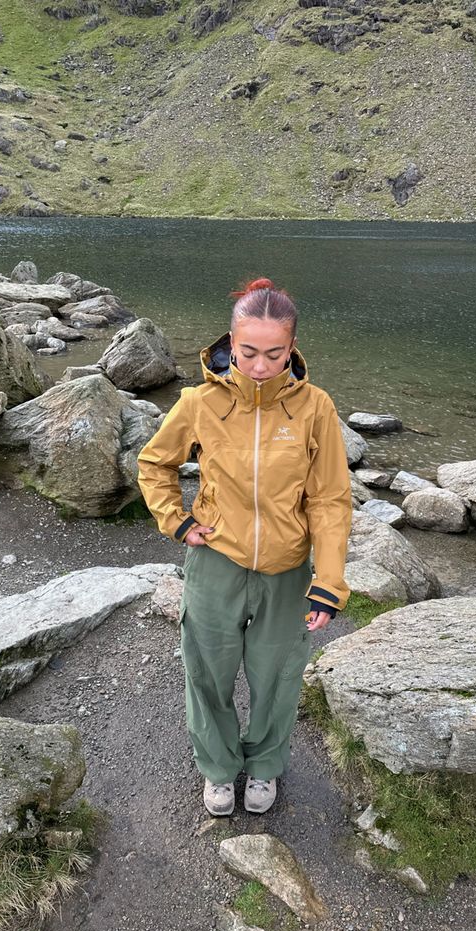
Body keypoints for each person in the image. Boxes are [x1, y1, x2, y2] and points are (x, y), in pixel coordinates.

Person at [137, 278, 351, 816]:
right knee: (207, 669)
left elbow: (329, 499)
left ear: (292, 348)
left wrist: (328, 580)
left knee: (277, 675)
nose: (259, 366)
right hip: (216, 560)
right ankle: (217, 766)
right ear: (230, 345)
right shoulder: (199, 402)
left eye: (274, 353)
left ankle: (263, 765)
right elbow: (154, 463)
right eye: (248, 352)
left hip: (286, 571)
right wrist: (177, 521)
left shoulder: (315, 408)